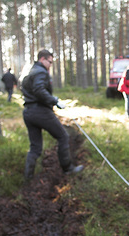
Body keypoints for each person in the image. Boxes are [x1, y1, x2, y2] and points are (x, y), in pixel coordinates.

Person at [21, 49, 83, 180]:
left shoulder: (30, 71)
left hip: (28, 112)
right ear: (42, 59)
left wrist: (51, 98)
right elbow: (39, 90)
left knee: (35, 147)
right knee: (63, 137)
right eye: (50, 62)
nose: (50, 65)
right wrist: (55, 101)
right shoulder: (41, 72)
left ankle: (28, 178)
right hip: (41, 112)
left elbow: (33, 90)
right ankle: (68, 169)